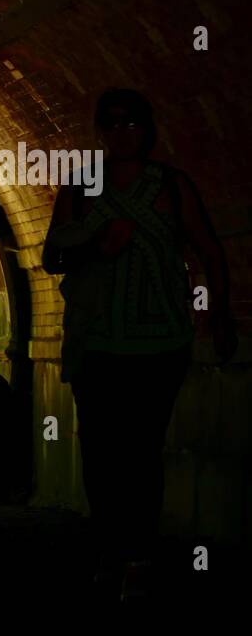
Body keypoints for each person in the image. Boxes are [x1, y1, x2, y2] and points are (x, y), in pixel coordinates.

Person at [42, 89, 235, 600]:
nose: (124, 132)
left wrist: (220, 316)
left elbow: (209, 251)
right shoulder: (80, 186)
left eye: (133, 123)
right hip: (96, 341)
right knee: (102, 451)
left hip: (158, 344)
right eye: (113, 123)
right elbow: (52, 257)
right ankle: (109, 549)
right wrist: (95, 243)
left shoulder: (172, 186)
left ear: (147, 129)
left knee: (142, 450)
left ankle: (138, 556)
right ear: (100, 131)